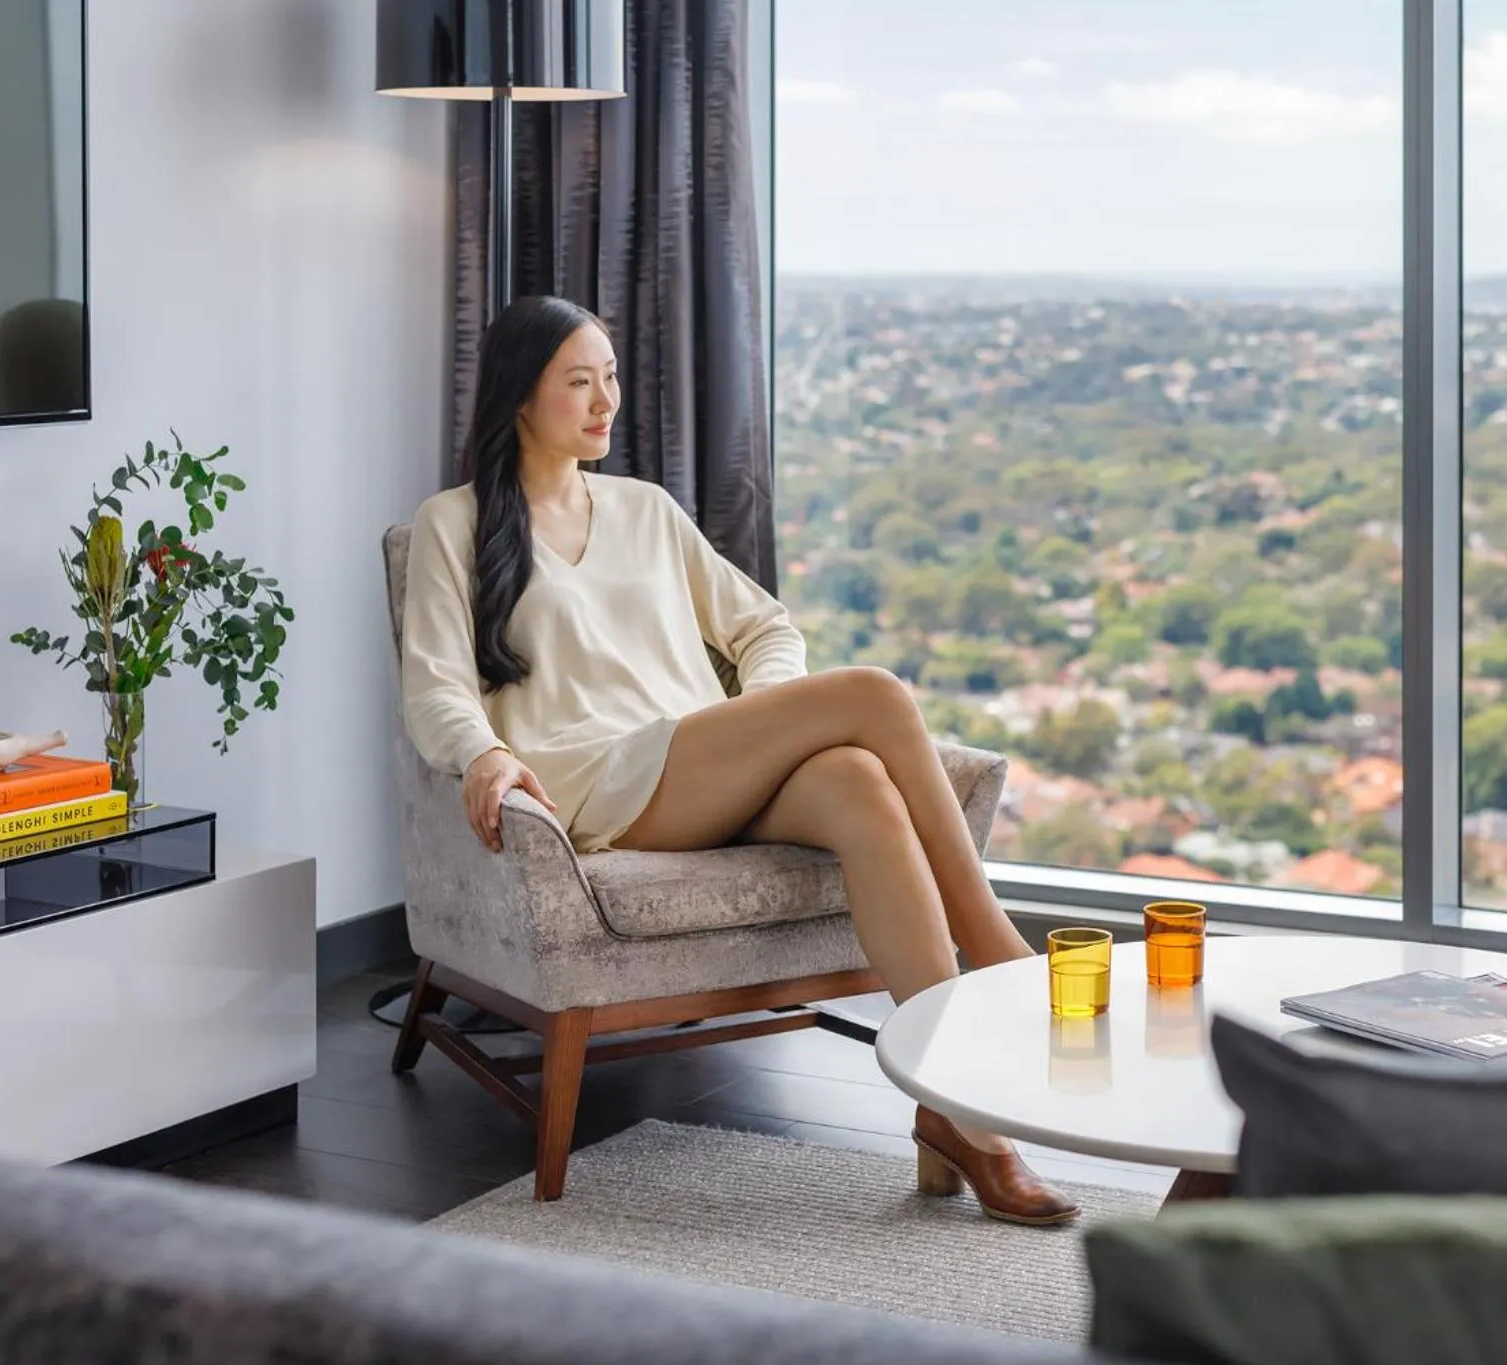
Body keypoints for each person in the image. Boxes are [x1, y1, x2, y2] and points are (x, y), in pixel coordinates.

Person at [397, 295, 1078, 1227]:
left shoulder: (644, 508)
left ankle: (957, 1109)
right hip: (600, 781)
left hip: (699, 760)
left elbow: (764, 625)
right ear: (521, 395)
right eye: (580, 382)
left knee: (859, 784)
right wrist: (481, 753)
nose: (607, 402)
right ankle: (1000, 951)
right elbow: (435, 684)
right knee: (874, 694)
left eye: (610, 377)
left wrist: (761, 722)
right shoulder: (456, 524)